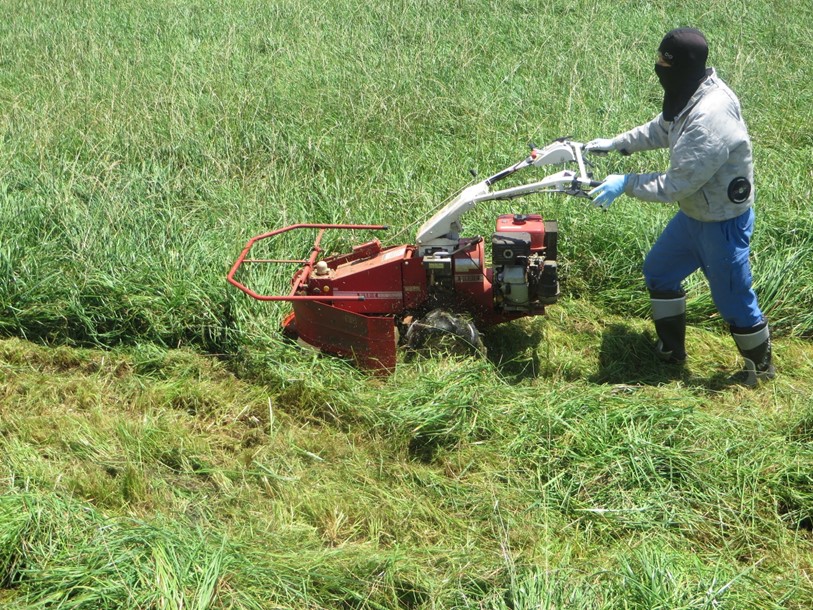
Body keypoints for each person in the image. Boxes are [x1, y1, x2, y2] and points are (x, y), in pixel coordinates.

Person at [585, 27, 775, 386]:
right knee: (659, 270)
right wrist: (617, 144)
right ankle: (671, 351)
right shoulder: (688, 91)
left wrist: (625, 182)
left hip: (722, 222)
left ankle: (761, 371)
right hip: (694, 215)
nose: (658, 69)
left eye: (664, 63)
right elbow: (663, 129)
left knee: (734, 301)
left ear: (681, 66)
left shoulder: (711, 117)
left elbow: (677, 183)